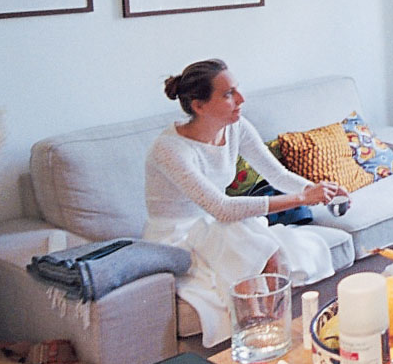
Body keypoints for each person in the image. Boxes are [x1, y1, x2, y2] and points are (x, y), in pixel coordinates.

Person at [145, 59, 349, 345]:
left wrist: (317, 189)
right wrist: (302, 198)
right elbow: (222, 208)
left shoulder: (235, 127)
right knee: (257, 246)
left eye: (237, 89)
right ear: (199, 106)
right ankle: (260, 335)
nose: (241, 99)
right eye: (228, 94)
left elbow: (277, 175)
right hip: (177, 236)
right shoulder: (169, 149)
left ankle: (271, 333)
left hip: (217, 225)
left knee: (270, 251)